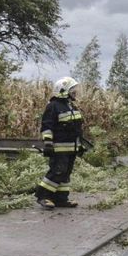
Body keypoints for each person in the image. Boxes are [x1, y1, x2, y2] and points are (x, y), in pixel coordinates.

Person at [36, 76, 84, 209]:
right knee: (57, 172)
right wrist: (48, 144)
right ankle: (43, 196)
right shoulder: (53, 106)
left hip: (71, 148)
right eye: (72, 89)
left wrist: (80, 145)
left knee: (66, 173)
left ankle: (61, 199)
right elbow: (47, 126)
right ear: (64, 90)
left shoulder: (71, 106)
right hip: (59, 148)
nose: (75, 92)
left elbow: (76, 129)